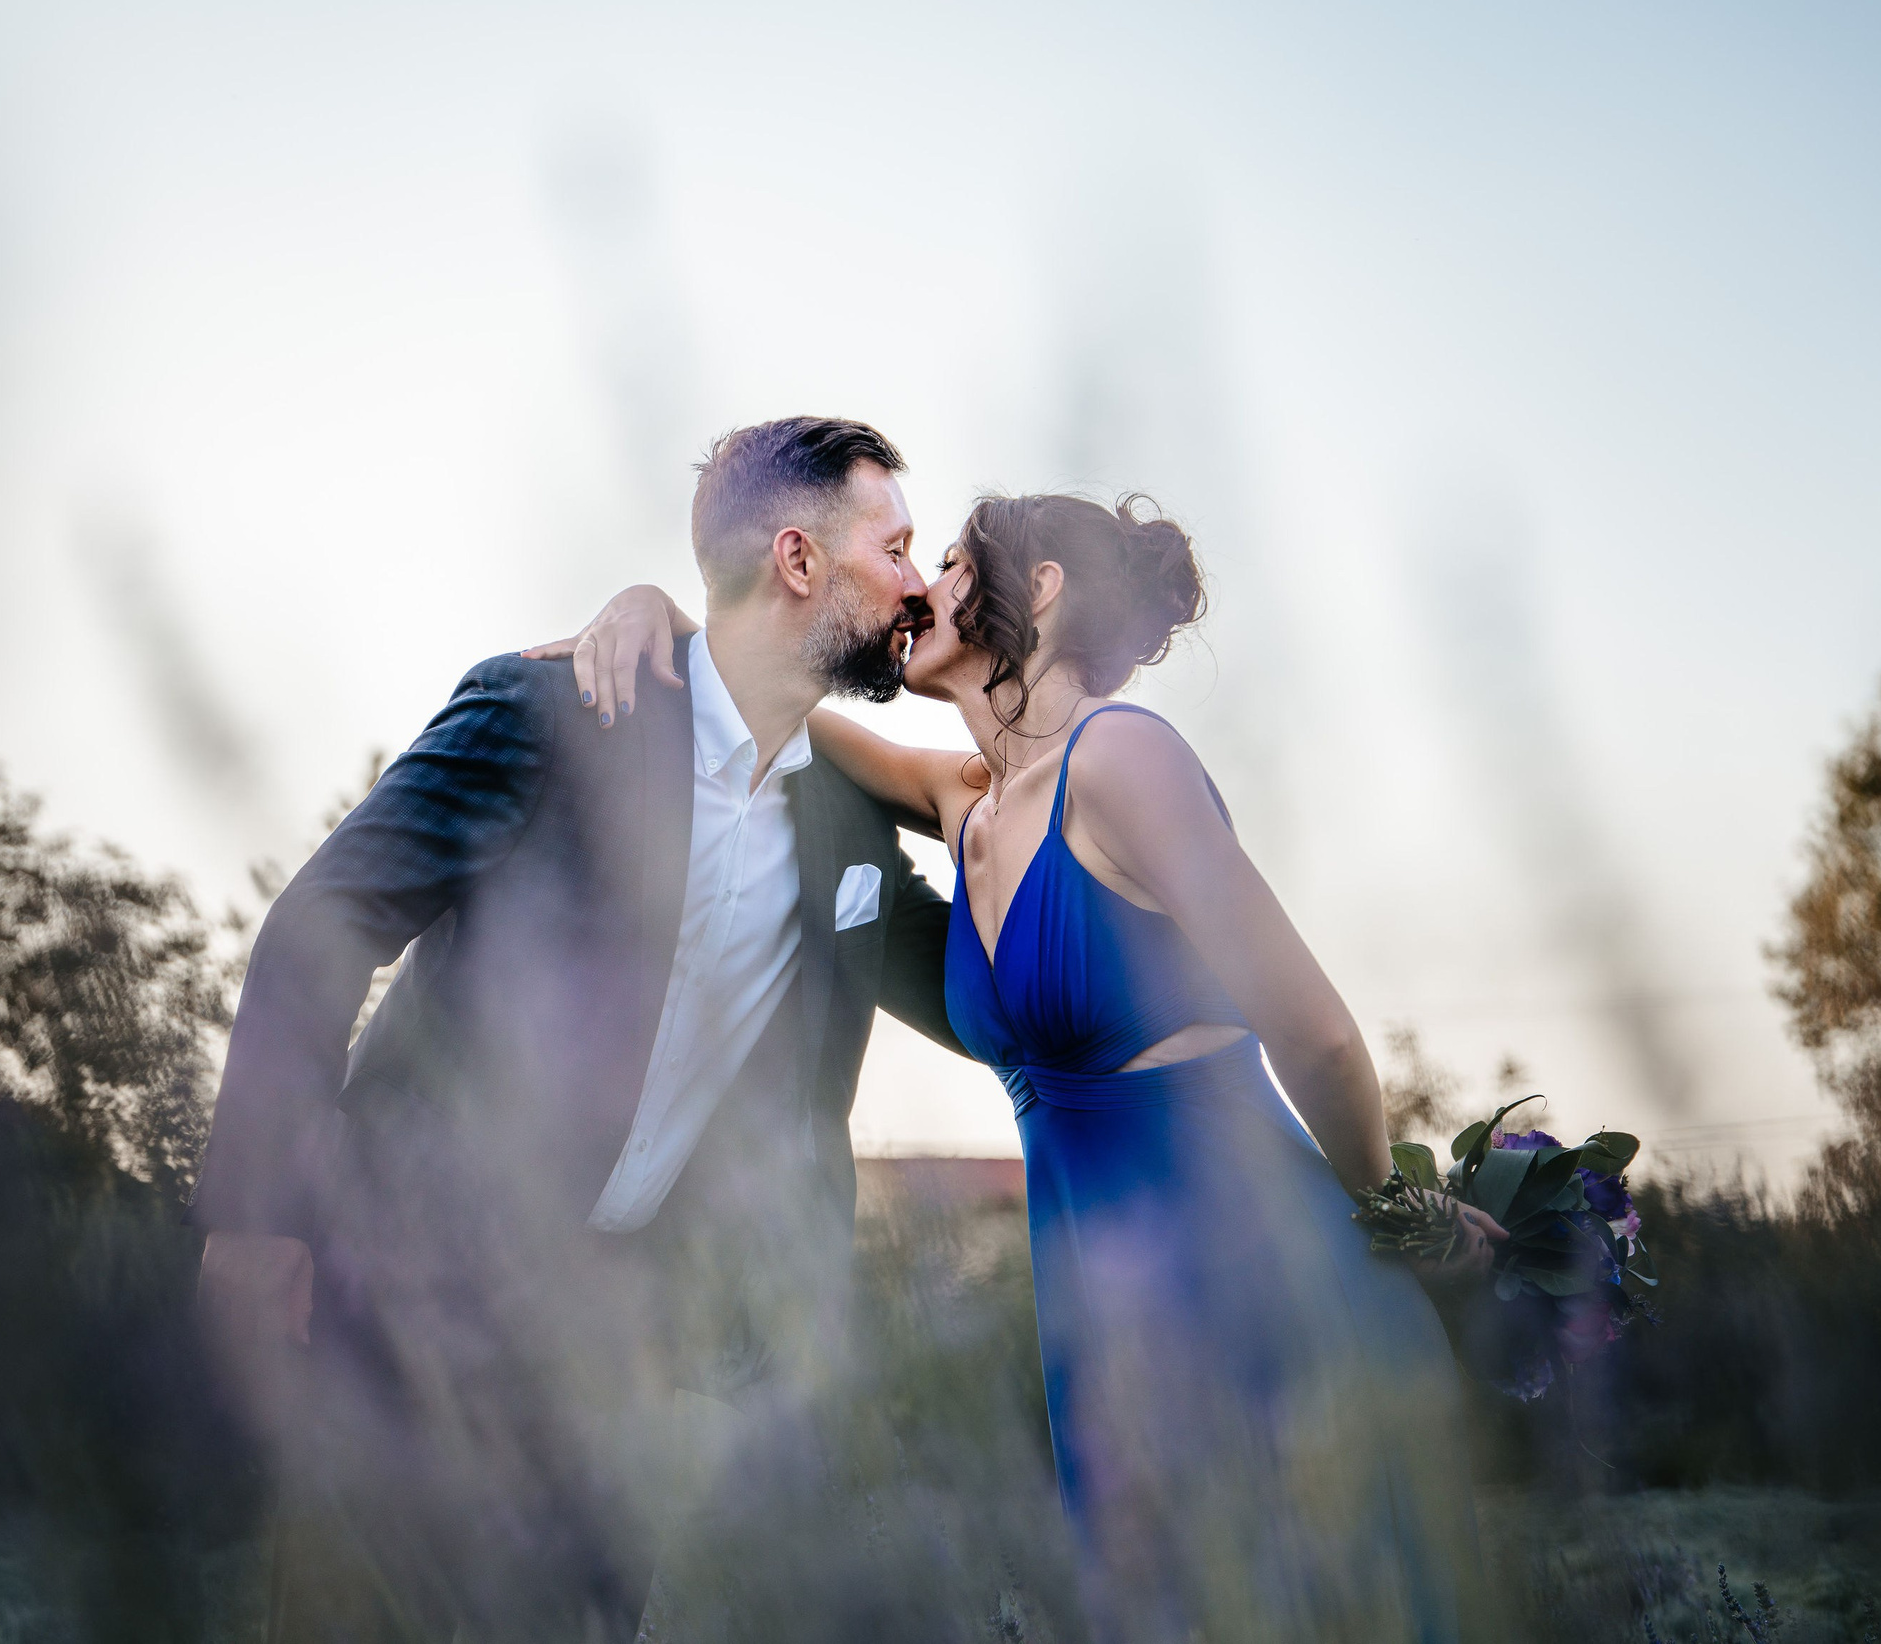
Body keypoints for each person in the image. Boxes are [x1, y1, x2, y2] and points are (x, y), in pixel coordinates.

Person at [550, 492, 1503, 1642]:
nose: (917, 591)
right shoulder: (971, 804)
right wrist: (655, 614)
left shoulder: (1124, 757)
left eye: (945, 563)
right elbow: (784, 715)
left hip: (1249, 1268)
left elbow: (1317, 1033)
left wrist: (1396, 1212)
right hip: (1099, 1310)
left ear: (1037, 588)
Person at [190, 416, 973, 1643]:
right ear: (798, 560)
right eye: (899, 546)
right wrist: (253, 1218)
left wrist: (1028, 767)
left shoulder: (848, 831)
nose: (921, 585)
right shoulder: (552, 714)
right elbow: (322, 924)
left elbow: (992, 1005)